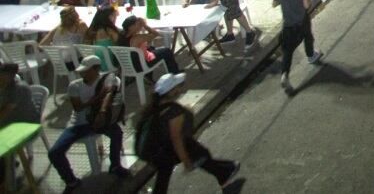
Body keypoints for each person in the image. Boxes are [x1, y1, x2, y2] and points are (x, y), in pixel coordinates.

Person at [137, 72, 243, 193]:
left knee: (166, 173)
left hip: (151, 151)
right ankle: (224, 171)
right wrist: (186, 161)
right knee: (195, 150)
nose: (180, 88)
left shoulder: (154, 107)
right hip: (160, 151)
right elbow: (177, 139)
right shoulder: (173, 112)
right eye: (177, 86)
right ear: (171, 91)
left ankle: (224, 172)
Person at [50, 55, 129, 188]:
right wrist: (98, 97)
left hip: (100, 121)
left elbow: (110, 93)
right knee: (54, 152)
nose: (83, 73)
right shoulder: (74, 86)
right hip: (78, 124)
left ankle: (115, 165)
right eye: (82, 70)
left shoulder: (107, 79)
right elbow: (78, 107)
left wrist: (102, 113)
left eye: (87, 70)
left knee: (117, 133)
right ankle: (71, 180)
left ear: (97, 68)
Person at [273, 0, 323, 90]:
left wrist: (285, 0)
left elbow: (274, 3)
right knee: (308, 37)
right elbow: (307, 6)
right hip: (301, 21)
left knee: (287, 52)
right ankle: (311, 55)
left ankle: (285, 75)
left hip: (287, 24)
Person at [0, 62, 38, 128]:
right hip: (12, 120)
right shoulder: (5, 85)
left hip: (24, 123)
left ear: (10, 76)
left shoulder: (18, 88)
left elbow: (5, 112)